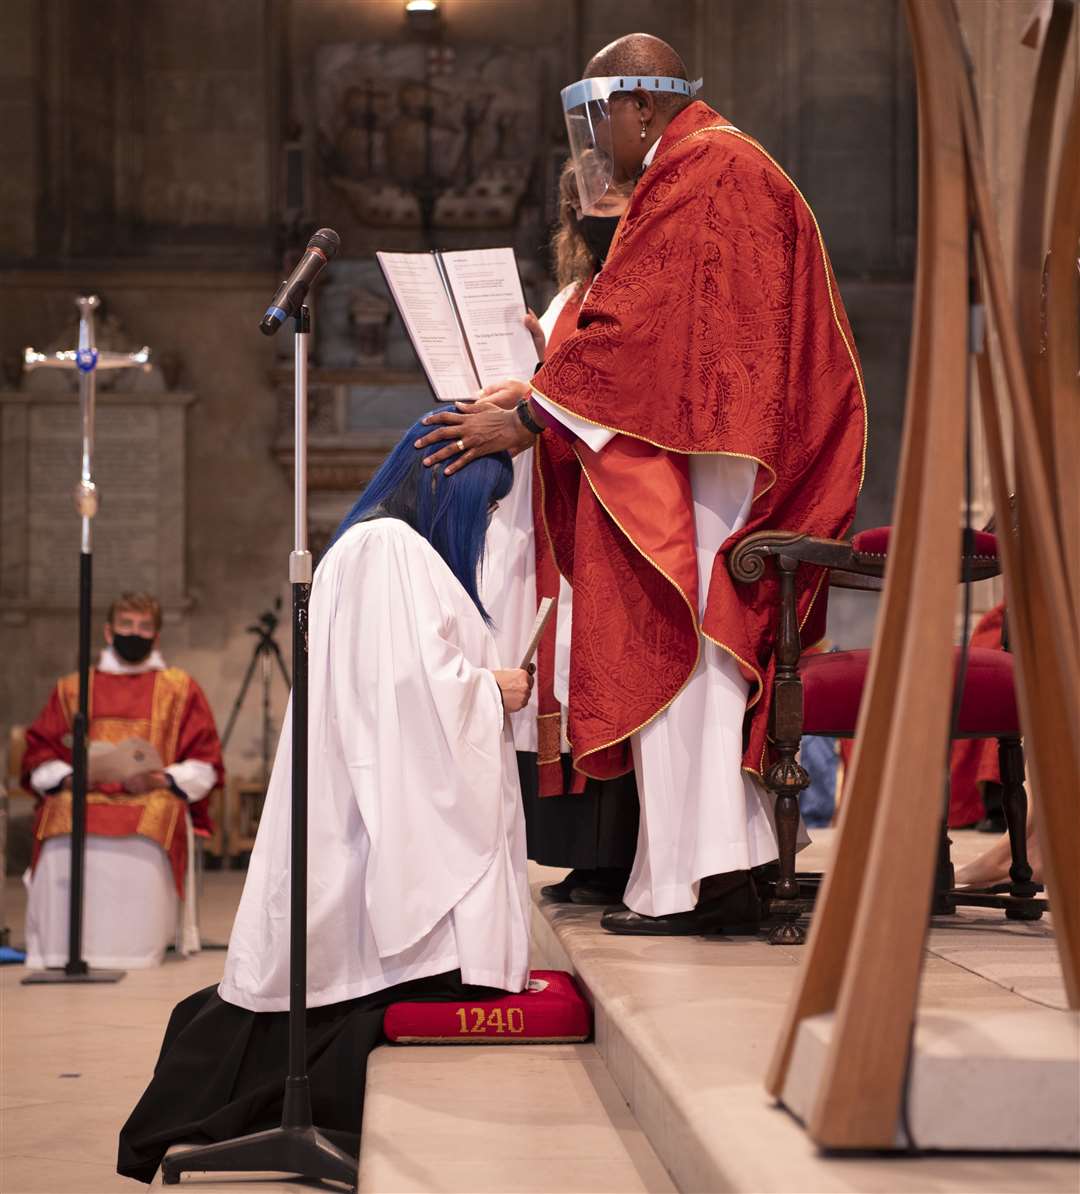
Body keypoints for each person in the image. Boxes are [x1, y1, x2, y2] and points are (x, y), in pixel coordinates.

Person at [416, 33, 867, 936]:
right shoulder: (726, 160)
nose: (597, 143)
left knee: (681, 648)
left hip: (709, 461)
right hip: (718, 443)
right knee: (695, 659)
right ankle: (708, 871)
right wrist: (541, 392)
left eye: (602, 118)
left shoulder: (694, 170)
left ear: (643, 106)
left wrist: (532, 418)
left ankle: (696, 883)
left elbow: (628, 328)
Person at [117, 417, 533, 1183]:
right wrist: (491, 690)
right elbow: (399, 693)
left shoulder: (382, 547)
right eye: (490, 506)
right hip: (365, 817)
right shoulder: (386, 551)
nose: (490, 525)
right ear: (453, 486)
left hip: (364, 802)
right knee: (351, 969)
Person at [479, 160, 640, 907]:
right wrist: (530, 386)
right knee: (562, 671)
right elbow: (562, 386)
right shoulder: (572, 294)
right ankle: (585, 852)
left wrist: (541, 393)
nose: (594, 208)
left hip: (620, 504)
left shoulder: (644, 287)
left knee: (603, 667)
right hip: (561, 496)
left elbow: (626, 391)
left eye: (611, 191)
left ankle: (619, 855)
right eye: (581, 199)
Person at [22, 592, 223, 968]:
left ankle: (138, 946)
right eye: (127, 625)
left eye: (145, 627)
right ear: (108, 632)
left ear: (157, 637)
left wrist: (160, 779)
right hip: (83, 791)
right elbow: (40, 752)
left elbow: (205, 760)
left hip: (151, 793)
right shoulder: (73, 688)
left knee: (160, 813)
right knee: (58, 812)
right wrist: (69, 779)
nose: (136, 633)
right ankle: (58, 947)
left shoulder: (180, 689)